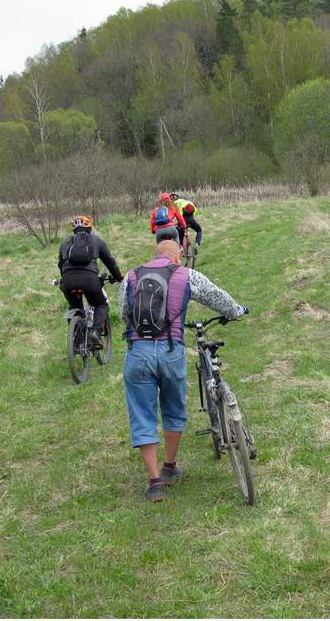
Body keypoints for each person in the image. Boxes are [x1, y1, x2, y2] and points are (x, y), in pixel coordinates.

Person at [119, 240, 247, 502]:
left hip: (138, 353)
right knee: (173, 408)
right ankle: (169, 467)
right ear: (177, 256)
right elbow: (217, 297)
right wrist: (236, 311)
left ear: (153, 256)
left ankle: (154, 482)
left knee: (142, 414)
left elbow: (124, 313)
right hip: (170, 350)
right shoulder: (187, 274)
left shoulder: (130, 277)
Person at [58, 215, 124, 348]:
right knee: (101, 304)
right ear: (90, 228)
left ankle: (76, 340)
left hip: (67, 280)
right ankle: (95, 332)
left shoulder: (65, 243)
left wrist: (64, 278)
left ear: (74, 230)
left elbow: (60, 264)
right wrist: (119, 278)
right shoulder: (97, 241)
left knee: (75, 307)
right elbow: (110, 263)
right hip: (89, 280)